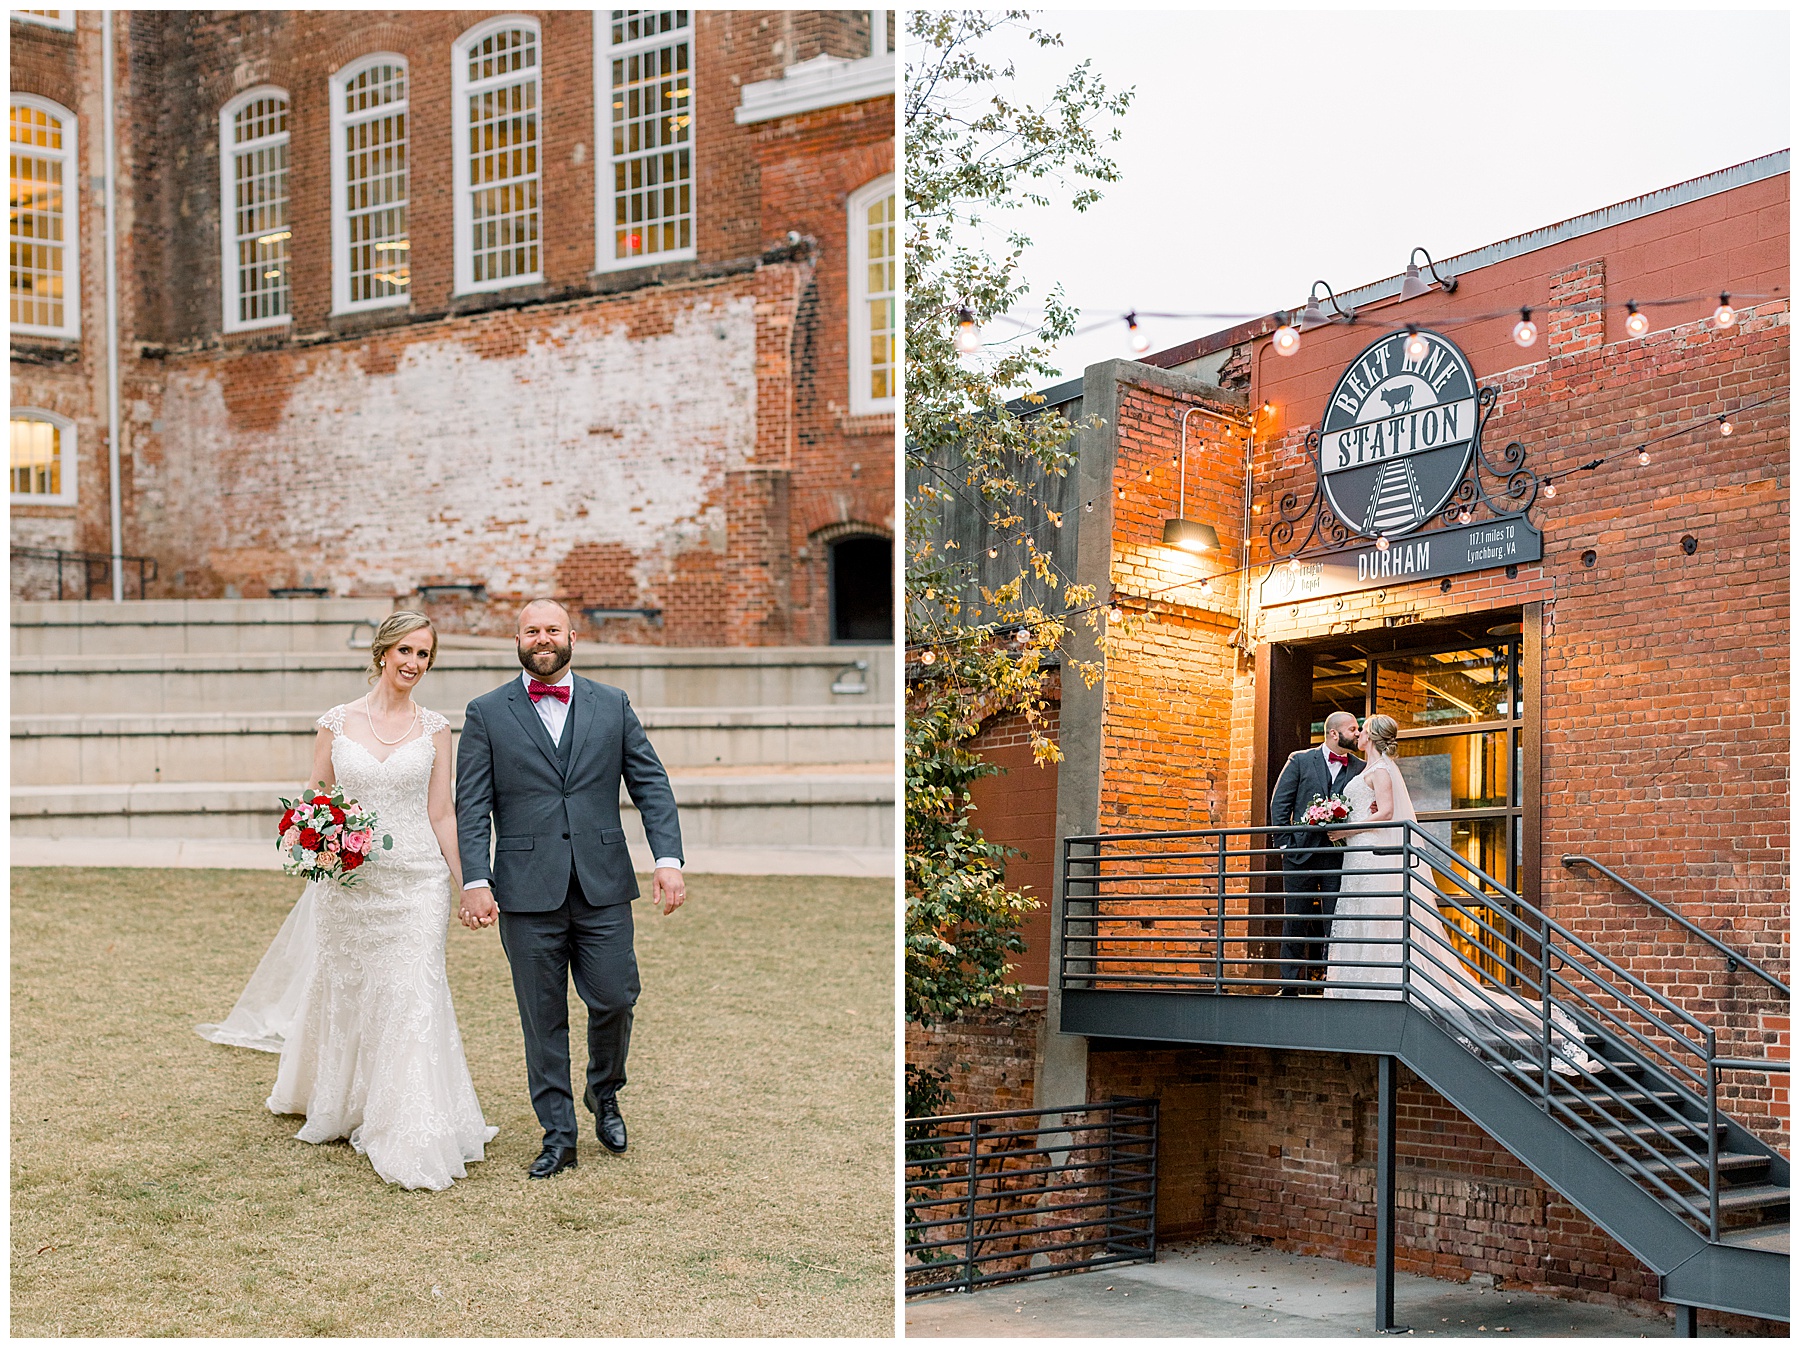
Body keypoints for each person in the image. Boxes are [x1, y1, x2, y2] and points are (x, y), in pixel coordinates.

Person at [197, 611, 498, 1190]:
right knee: (349, 989)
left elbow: (442, 813)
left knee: (411, 992)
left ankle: (410, 1125)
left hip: (417, 882)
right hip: (349, 885)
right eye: (406, 651)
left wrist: (470, 883)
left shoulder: (436, 728)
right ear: (383, 653)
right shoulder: (336, 723)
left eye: (425, 655)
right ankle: (342, 1101)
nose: (414, 663)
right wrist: (315, 841)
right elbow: (317, 798)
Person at [455, 598, 686, 1180]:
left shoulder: (613, 703)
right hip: (525, 890)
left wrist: (667, 859)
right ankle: (559, 1135)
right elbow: (471, 805)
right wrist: (476, 879)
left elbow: (651, 782)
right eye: (531, 630)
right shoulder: (486, 712)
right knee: (543, 1017)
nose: (542, 638)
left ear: (572, 637)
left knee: (616, 998)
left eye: (552, 629)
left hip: (603, 884)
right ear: (517, 639)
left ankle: (604, 1091)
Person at [1323, 714, 1599, 1075]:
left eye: (1362, 729)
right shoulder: (1371, 769)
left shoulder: (1381, 770)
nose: (1358, 734)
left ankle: (1384, 986)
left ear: (1372, 737)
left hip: (1369, 849)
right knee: (1362, 913)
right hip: (1358, 852)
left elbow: (1388, 811)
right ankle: (1357, 987)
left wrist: (1347, 830)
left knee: (1378, 913)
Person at [1267, 710, 1365, 993]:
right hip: (1300, 854)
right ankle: (1290, 984)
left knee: (1335, 920)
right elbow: (1280, 805)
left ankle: (1330, 983)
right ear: (1334, 733)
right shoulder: (1299, 760)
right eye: (1352, 729)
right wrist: (1285, 845)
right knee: (1296, 919)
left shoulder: (1360, 767)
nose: (1358, 733)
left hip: (1339, 855)